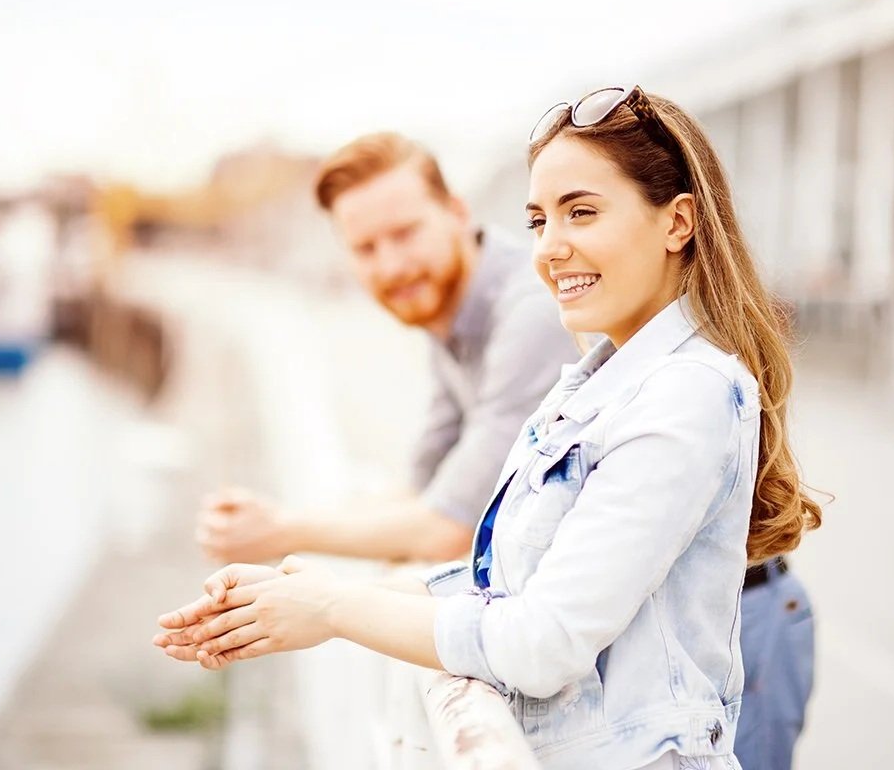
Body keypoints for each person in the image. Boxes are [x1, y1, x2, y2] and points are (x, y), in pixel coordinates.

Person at [157, 88, 823, 769]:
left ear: (677, 222)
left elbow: (536, 627)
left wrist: (330, 602)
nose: (551, 249)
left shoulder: (678, 391)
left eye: (582, 212)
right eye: (539, 222)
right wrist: (310, 592)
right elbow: (493, 561)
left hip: (717, 641)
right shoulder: (594, 376)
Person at [194, 132, 579, 565]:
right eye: (366, 248)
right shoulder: (449, 310)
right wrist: (271, 520)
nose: (391, 267)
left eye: (405, 233)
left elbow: (449, 528)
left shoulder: (531, 312)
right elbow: (423, 490)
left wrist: (283, 531)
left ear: (457, 211)